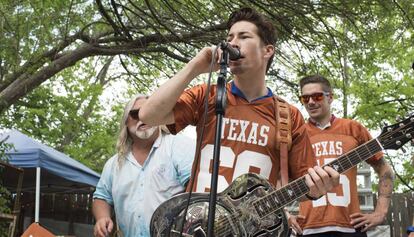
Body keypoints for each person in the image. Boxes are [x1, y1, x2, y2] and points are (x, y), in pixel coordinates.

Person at [140, 7, 339, 214]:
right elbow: (148, 115)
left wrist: (318, 187)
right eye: (230, 37)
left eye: (244, 36)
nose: (232, 43)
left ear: (267, 50)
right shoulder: (207, 95)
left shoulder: (289, 115)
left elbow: (308, 183)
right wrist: (196, 67)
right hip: (196, 225)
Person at [288, 75, 395, 237]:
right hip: (307, 229)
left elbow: (385, 170)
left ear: (330, 97)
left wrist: (380, 212)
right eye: (305, 98)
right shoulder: (296, 134)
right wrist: (286, 215)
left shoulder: (353, 129)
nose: (310, 102)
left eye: (316, 96)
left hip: (350, 227)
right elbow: (276, 177)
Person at [92, 95, 195, 237]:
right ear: (126, 122)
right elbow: (101, 197)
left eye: (150, 112)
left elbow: (196, 186)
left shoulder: (178, 145)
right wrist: (102, 217)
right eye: (135, 114)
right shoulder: (113, 164)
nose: (143, 117)